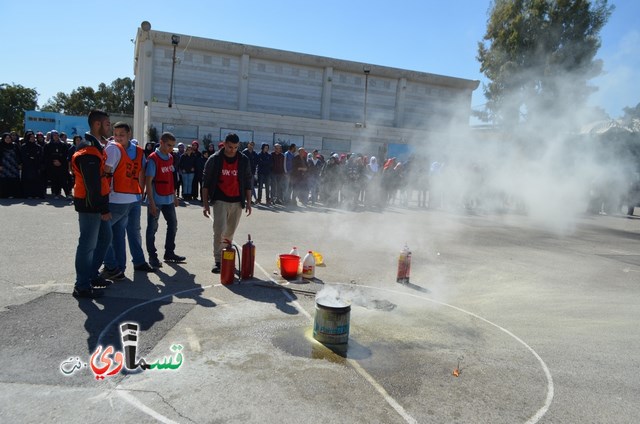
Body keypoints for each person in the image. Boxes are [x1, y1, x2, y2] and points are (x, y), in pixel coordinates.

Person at [100, 122, 155, 280]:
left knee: (111, 233)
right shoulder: (118, 148)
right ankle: (119, 268)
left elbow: (140, 172)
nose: (118, 138)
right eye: (116, 135)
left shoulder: (131, 150)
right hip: (125, 197)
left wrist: (142, 191)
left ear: (129, 134)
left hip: (124, 197)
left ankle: (114, 266)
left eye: (121, 135)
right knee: (118, 234)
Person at [71, 110, 113, 298]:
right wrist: (103, 209)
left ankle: (90, 275)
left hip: (97, 203)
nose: (109, 127)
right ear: (97, 125)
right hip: (90, 206)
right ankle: (81, 285)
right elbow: (92, 186)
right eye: (107, 124)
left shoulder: (95, 147)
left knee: (105, 238)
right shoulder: (88, 150)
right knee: (87, 244)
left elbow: (99, 180)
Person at [202, 133, 252, 274]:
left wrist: (249, 202)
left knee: (229, 232)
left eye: (236, 147)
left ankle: (226, 258)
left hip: (237, 201)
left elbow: (248, 182)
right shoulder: (215, 160)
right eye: (230, 147)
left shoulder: (243, 160)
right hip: (220, 200)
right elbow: (205, 183)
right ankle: (218, 261)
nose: (232, 150)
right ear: (224, 144)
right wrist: (205, 205)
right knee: (219, 230)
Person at [145, 132, 186, 268]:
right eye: (169, 145)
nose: (171, 148)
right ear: (161, 142)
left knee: (173, 225)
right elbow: (148, 182)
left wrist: (174, 196)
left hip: (168, 199)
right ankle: (152, 256)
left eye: (173, 146)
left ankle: (169, 253)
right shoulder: (153, 159)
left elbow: (170, 179)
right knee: (152, 229)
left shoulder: (170, 157)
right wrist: (151, 203)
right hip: (156, 200)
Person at [43, 130, 71, 199]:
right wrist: (53, 161)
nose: (56, 137)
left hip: (62, 165)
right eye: (54, 135)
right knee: (54, 180)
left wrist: (60, 161)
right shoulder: (48, 145)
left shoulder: (63, 145)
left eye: (57, 135)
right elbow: (46, 155)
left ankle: (67, 194)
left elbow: (66, 155)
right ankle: (56, 193)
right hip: (52, 165)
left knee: (63, 180)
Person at [20, 131, 44, 199]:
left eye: (33, 137)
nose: (33, 138)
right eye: (31, 137)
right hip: (27, 167)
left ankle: (36, 194)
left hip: (36, 166)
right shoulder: (24, 146)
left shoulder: (38, 146)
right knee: (27, 181)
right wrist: (30, 159)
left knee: (36, 181)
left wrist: (34, 159)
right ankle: (28, 194)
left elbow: (40, 156)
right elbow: (23, 156)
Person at [0, 132, 22, 198]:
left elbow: (19, 155)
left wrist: (20, 163)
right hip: (4, 166)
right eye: (6, 138)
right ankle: (4, 194)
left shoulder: (14, 145)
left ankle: (14, 194)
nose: (8, 139)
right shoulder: (1, 145)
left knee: (14, 179)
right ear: (3, 139)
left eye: (9, 138)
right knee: (4, 180)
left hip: (14, 166)